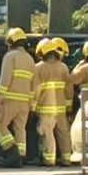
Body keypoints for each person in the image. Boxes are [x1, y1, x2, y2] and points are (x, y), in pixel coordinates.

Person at [0, 27, 35, 167]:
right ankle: (21, 156)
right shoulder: (30, 59)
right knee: (20, 128)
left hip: (9, 98)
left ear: (10, 42)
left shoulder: (10, 57)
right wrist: (31, 103)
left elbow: (5, 79)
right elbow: (34, 83)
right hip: (25, 102)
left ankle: (11, 150)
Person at [31, 39, 74, 167]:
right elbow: (69, 88)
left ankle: (49, 160)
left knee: (46, 134)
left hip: (45, 108)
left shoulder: (38, 68)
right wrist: (69, 105)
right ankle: (66, 159)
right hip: (61, 108)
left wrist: (32, 107)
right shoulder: (63, 67)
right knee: (63, 134)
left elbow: (36, 89)